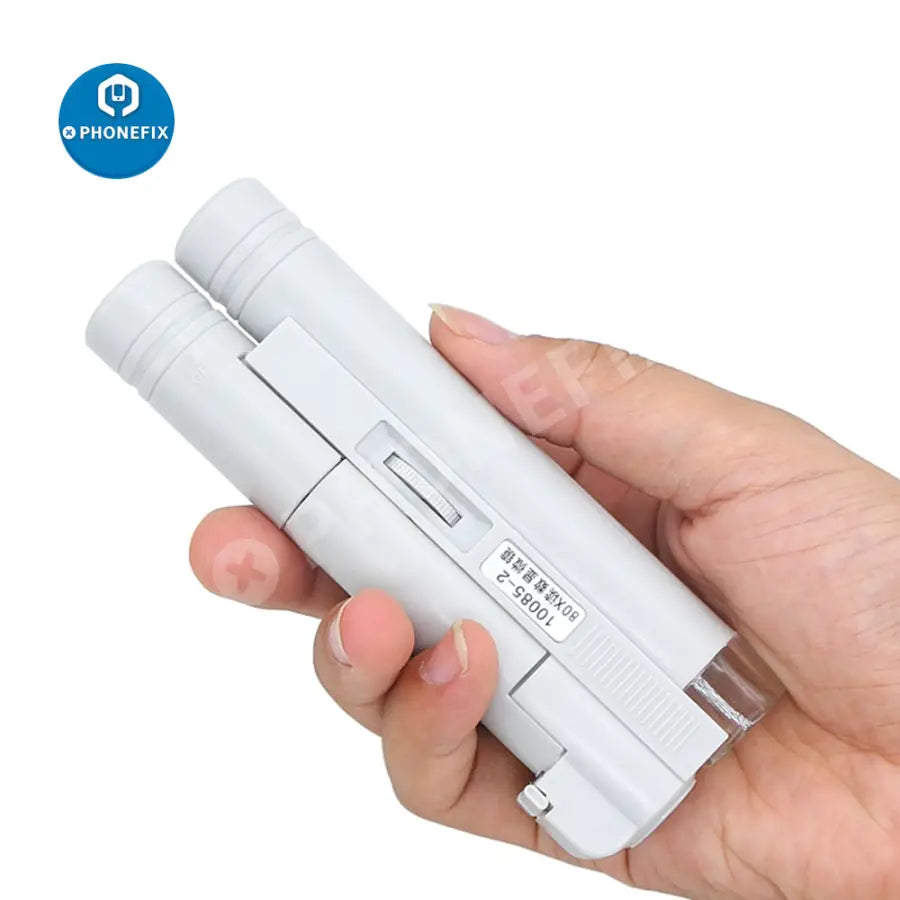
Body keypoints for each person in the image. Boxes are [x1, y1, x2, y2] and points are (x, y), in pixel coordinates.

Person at [189, 306, 900, 899]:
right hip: (685, 699)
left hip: (688, 699)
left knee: (185, 359)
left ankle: (177, 349)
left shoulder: (730, 693)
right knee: (234, 325)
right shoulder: (731, 693)